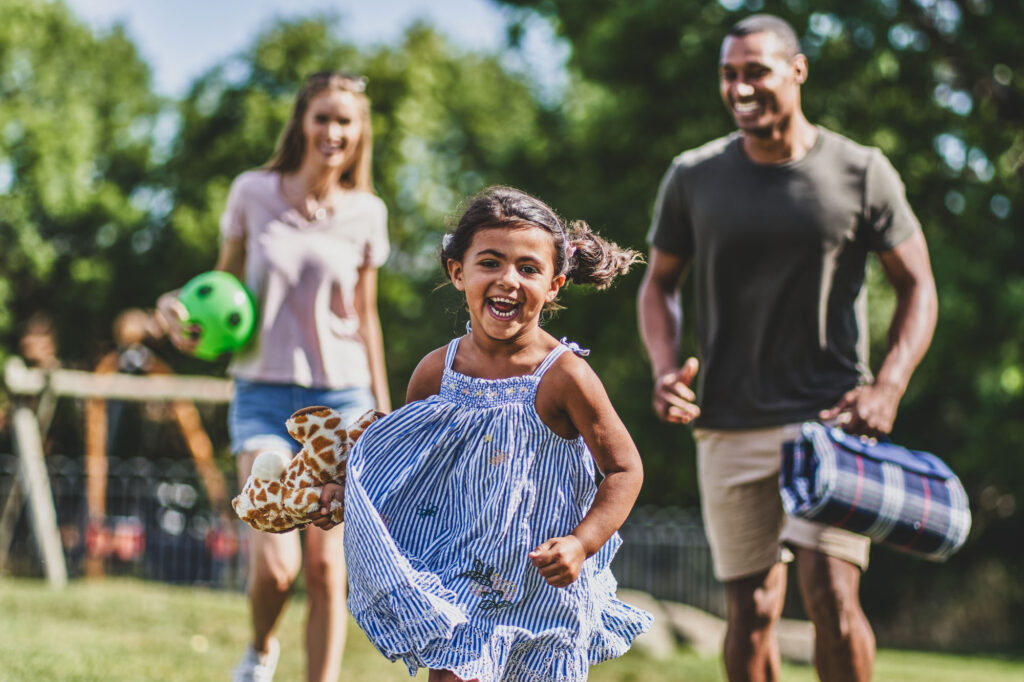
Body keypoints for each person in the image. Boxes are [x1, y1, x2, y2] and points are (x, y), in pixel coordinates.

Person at [637, 14, 938, 682]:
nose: (739, 87)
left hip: (833, 421)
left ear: (797, 72)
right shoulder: (693, 176)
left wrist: (888, 386)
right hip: (727, 422)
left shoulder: (861, 171)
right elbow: (658, 285)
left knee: (832, 594)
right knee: (752, 610)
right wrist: (663, 368)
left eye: (755, 71)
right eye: (728, 74)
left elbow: (918, 286)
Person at [314, 186, 652, 681]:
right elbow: (404, 474)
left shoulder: (564, 376)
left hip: (541, 595)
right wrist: (347, 496)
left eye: (529, 269)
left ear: (555, 284)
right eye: (490, 262)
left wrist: (581, 543)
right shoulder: (435, 373)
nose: (508, 280)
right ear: (458, 272)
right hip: (457, 583)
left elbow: (625, 468)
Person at [156, 71, 391, 682]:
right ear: (302, 122)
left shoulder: (368, 213)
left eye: (346, 121)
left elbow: (366, 316)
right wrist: (174, 308)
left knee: (325, 567)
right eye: (323, 117)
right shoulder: (252, 193)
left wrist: (385, 413)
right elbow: (218, 285)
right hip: (262, 394)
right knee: (277, 564)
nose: (333, 131)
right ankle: (261, 649)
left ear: (360, 132)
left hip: (342, 397)